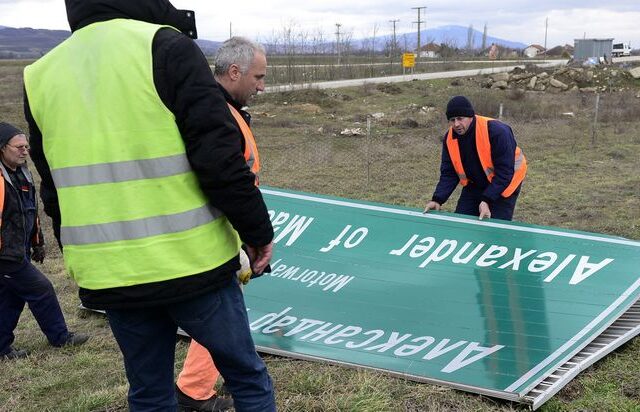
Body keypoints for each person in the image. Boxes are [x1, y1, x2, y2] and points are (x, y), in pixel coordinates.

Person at [23, 1, 276, 411]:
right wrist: (257, 233)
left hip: (113, 273)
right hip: (192, 264)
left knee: (149, 392)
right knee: (247, 379)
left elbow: (51, 187)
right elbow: (219, 158)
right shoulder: (166, 46)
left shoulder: (40, 75)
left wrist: (75, 250)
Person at [175, 36, 267, 412]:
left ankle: (203, 382)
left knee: (230, 311)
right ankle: (194, 390)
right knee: (220, 317)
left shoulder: (214, 107)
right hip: (219, 236)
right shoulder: (216, 113)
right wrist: (253, 235)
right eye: (258, 77)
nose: (261, 86)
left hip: (225, 232)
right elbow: (225, 178)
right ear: (234, 72)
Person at [0, 122, 89, 360]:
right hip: (6, 255)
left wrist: (37, 241)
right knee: (41, 289)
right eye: (18, 147)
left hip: (19, 250)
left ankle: (1, 347)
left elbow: (29, 211)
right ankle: (60, 338)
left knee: (13, 297)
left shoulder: (22, 173)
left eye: (26, 146)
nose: (24, 151)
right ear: (2, 148)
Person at [424, 96, 527, 221]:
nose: (456, 124)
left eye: (460, 119)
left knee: (495, 228)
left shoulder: (497, 131)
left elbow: (505, 172)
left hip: (505, 182)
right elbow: (449, 173)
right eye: (452, 120)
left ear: (470, 116)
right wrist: (437, 199)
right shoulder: (450, 139)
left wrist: (486, 200)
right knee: (462, 224)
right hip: (475, 184)